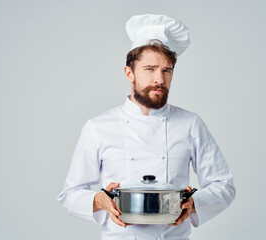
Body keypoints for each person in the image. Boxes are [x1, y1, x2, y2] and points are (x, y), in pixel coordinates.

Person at [57, 14, 236, 240]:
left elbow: (224, 186)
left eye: (167, 70)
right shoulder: (99, 127)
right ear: (129, 73)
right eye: (150, 69)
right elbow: (70, 194)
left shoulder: (190, 124)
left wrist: (194, 203)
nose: (159, 79)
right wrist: (99, 200)